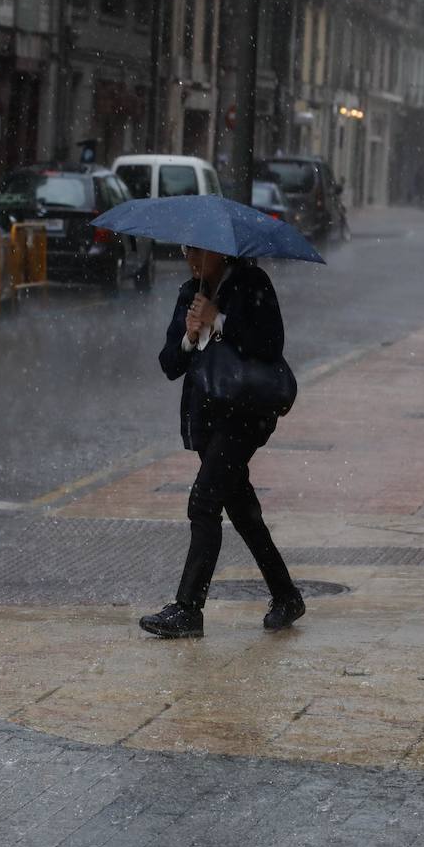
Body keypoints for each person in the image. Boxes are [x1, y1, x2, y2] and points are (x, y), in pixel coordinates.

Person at [139, 245, 304, 638]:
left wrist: (220, 320)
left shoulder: (251, 283)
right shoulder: (188, 293)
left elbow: (269, 344)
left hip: (244, 415)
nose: (190, 258)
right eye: (185, 250)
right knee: (242, 510)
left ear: (221, 252)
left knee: (204, 502)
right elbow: (168, 365)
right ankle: (287, 596)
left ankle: (188, 609)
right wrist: (187, 336)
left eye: (198, 251)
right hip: (206, 418)